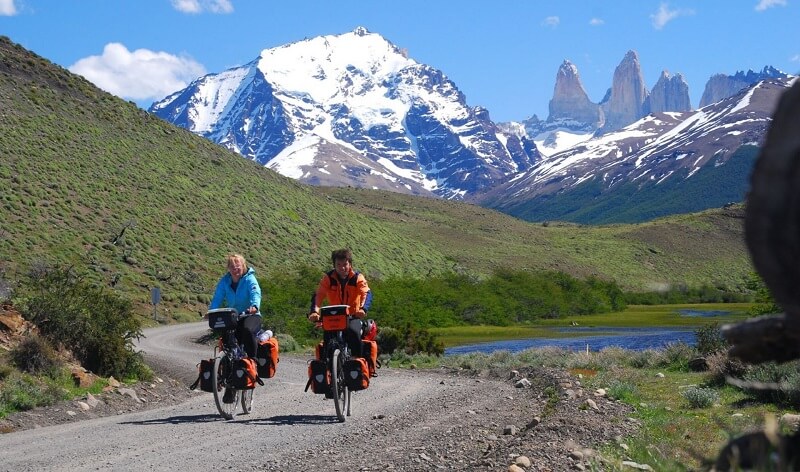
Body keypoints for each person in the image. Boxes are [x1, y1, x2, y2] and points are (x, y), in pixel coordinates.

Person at [308, 248, 372, 357]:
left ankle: (358, 362)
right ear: (334, 265)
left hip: (353, 316)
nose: (342, 267)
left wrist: (362, 309)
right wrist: (314, 312)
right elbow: (319, 295)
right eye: (338, 264)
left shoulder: (357, 278)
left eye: (345, 264)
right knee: (328, 339)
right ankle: (329, 367)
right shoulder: (328, 279)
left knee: (354, 333)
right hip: (335, 316)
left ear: (350, 264)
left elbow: (366, 293)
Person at [209, 253, 262, 359]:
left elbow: (255, 293)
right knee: (226, 337)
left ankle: (253, 361)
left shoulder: (249, 279)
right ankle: (225, 365)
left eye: (238, 266)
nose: (235, 269)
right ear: (228, 268)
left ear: (243, 266)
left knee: (247, 330)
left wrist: (254, 306)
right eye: (232, 267)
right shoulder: (225, 281)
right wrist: (211, 311)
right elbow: (217, 297)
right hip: (233, 316)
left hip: (250, 314)